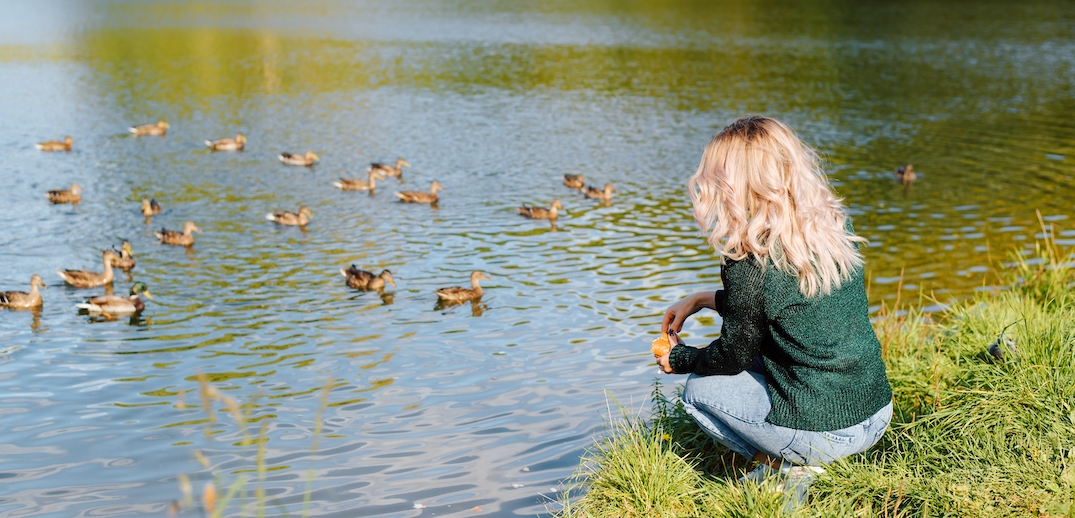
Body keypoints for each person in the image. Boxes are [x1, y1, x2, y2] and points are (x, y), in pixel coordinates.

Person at [656, 116, 893, 506]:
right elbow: (783, 307)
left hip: (828, 431)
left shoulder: (750, 259)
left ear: (735, 183)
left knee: (699, 389)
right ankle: (804, 455)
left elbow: (734, 354)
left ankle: (795, 465)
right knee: (759, 358)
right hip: (874, 411)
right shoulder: (829, 225)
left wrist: (680, 358)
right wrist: (702, 299)